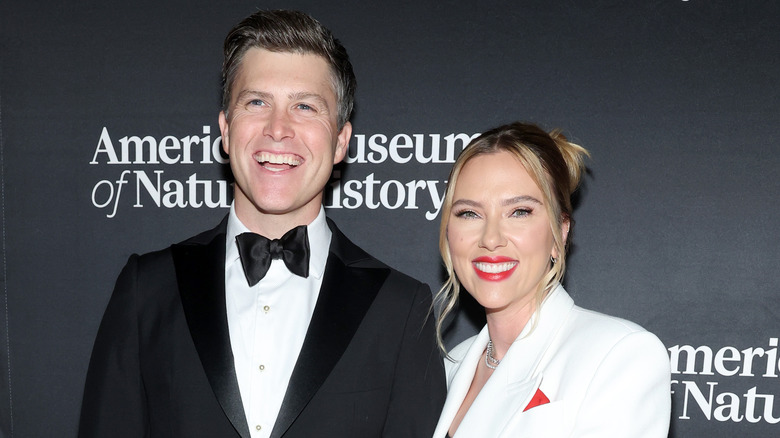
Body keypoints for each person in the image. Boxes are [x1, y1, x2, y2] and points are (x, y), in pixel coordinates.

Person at [79, 10, 445, 438]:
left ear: (341, 141)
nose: (278, 129)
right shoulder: (147, 290)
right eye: (257, 102)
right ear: (226, 129)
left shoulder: (402, 310)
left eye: (305, 106)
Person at [431, 122, 671, 437]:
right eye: (469, 214)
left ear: (560, 233)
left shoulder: (618, 356)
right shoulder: (451, 366)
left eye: (519, 211)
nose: (491, 239)